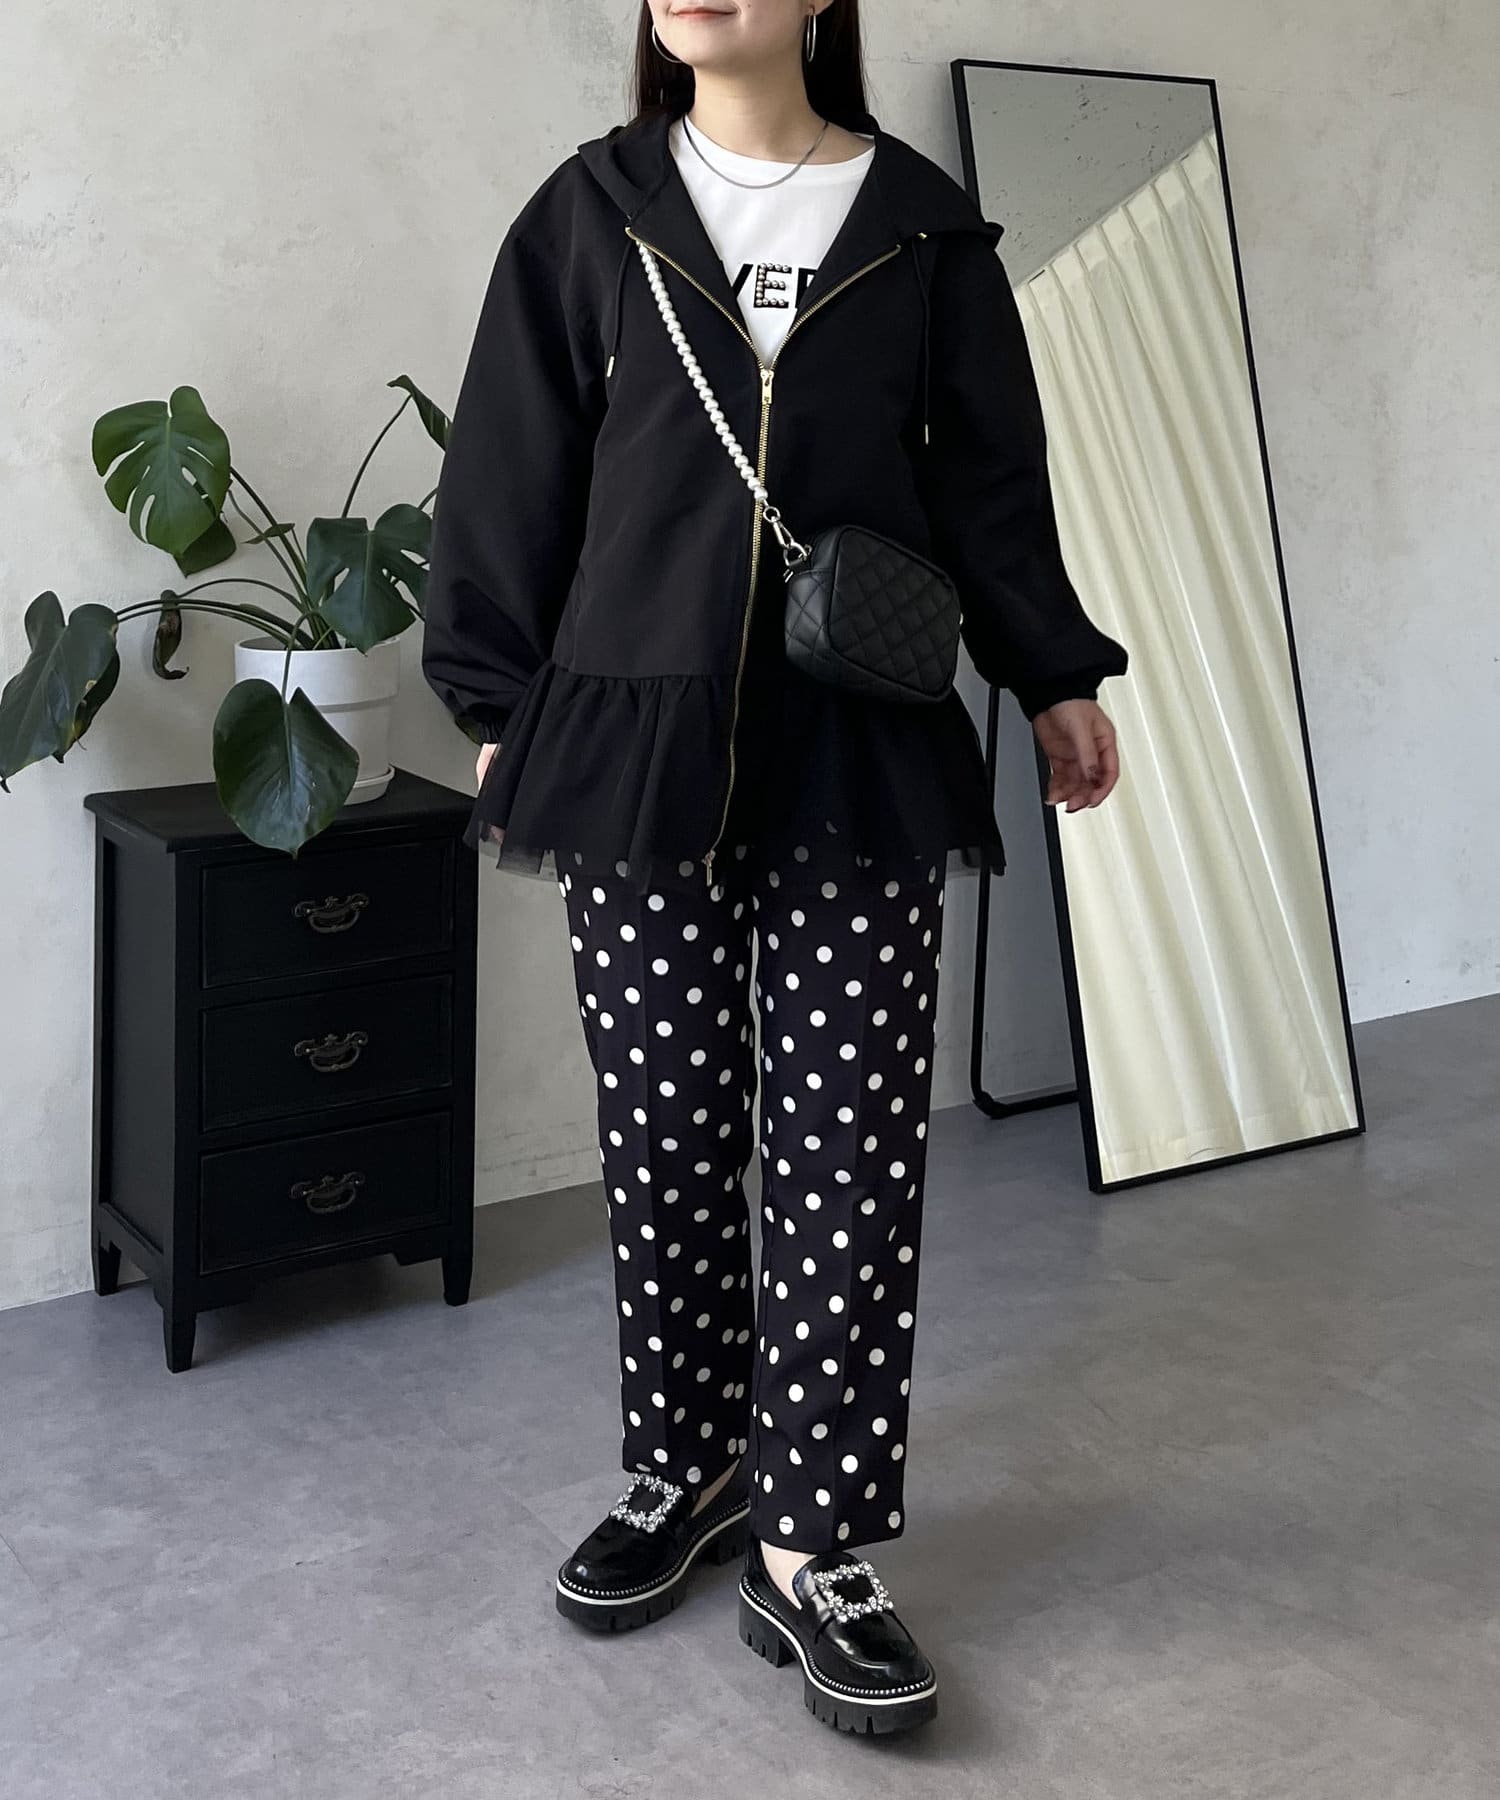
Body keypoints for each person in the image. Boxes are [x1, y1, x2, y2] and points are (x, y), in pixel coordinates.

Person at [421, 0, 1127, 1738]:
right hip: (633, 737)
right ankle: (688, 1469)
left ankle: (812, 1542)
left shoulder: (921, 228)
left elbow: (992, 484)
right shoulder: (590, 213)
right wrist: (498, 703)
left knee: (849, 1151)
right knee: (664, 1132)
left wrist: (1052, 670)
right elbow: (511, 470)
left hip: (856, 743)